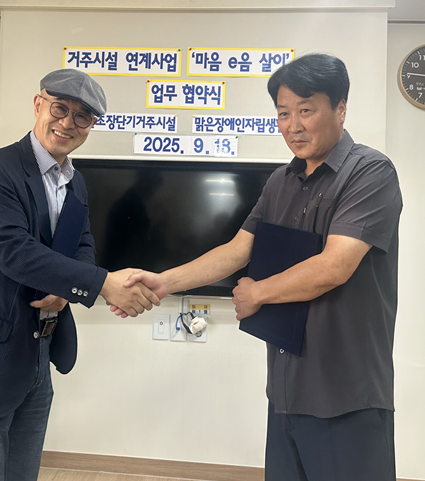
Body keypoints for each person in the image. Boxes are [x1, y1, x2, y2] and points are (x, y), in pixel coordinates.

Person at [122, 54, 402, 481]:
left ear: (340, 108)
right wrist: (163, 282)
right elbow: (238, 250)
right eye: (283, 113)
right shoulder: (280, 181)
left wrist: (257, 293)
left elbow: (334, 266)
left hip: (346, 393)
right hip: (287, 387)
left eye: (306, 110)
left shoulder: (370, 172)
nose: (293, 125)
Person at [0, 69, 160, 481]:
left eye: (82, 116)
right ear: (38, 105)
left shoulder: (76, 182)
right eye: (60, 108)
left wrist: (66, 291)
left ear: (91, 125)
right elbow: (15, 253)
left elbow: (82, 243)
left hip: (38, 357)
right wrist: (102, 285)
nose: (68, 123)